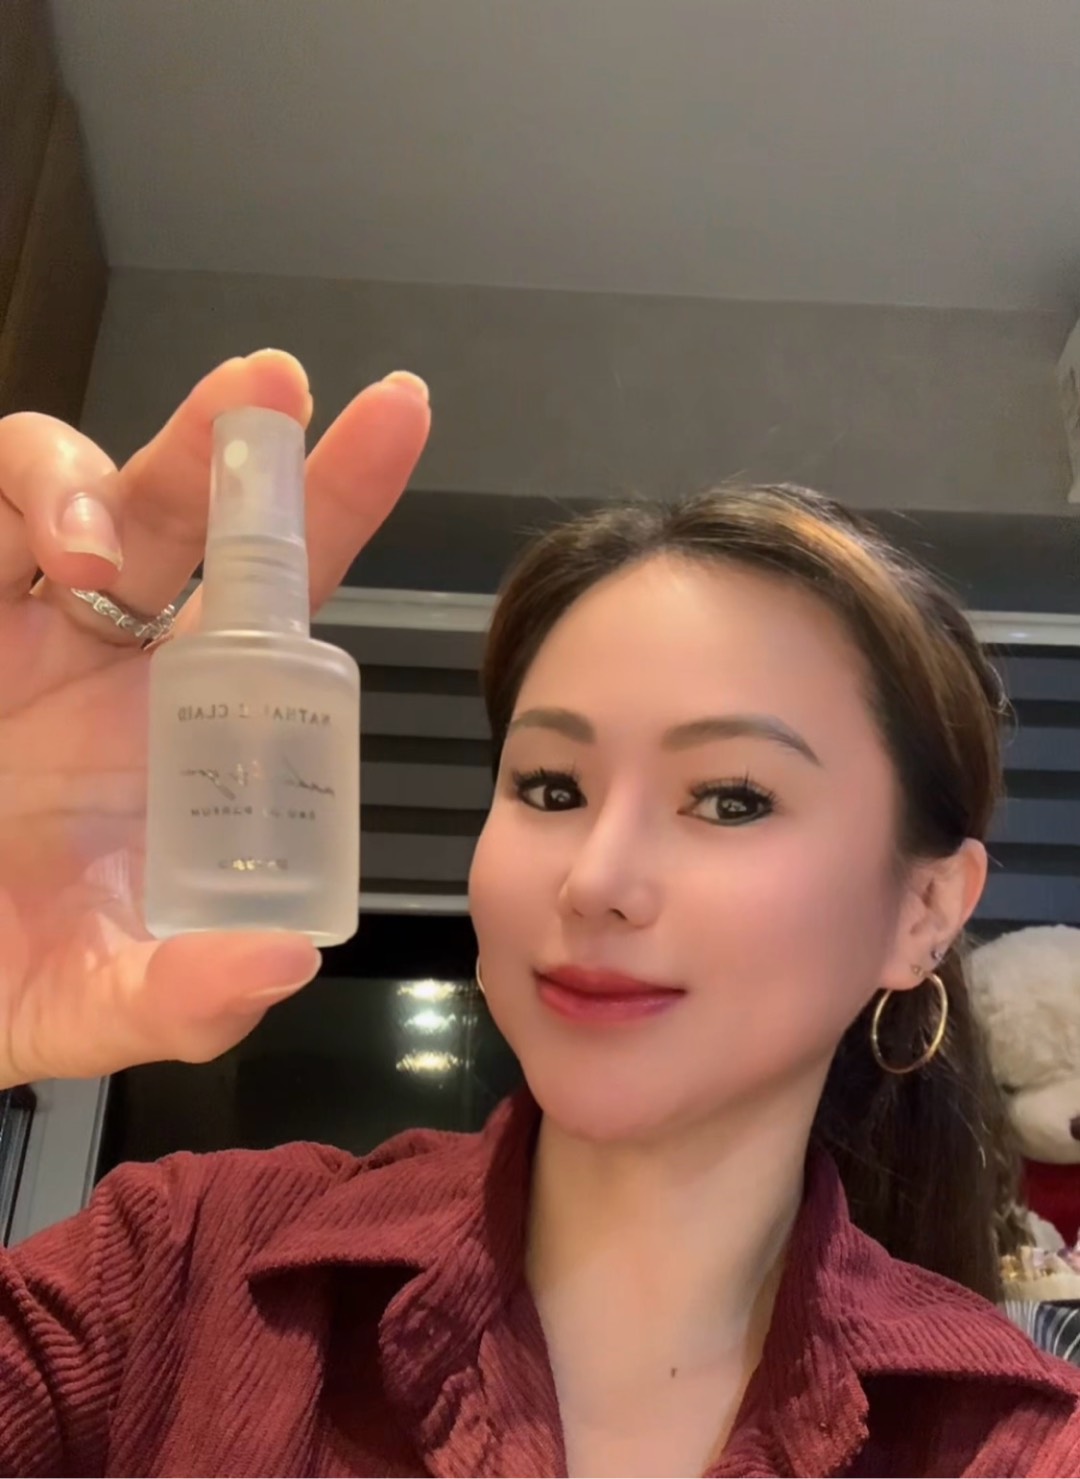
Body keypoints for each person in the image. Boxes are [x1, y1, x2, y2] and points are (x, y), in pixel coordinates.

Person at [0, 349, 1077, 1479]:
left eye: (730, 799)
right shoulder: (174, 1278)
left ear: (922, 910)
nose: (595, 878)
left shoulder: (1015, 1448)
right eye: (552, 789)